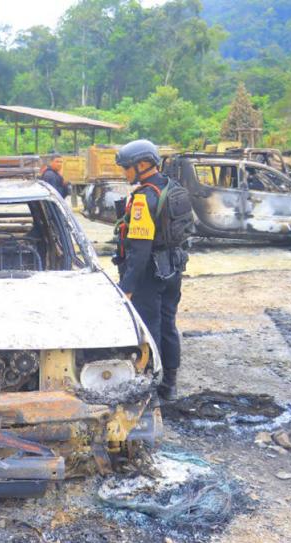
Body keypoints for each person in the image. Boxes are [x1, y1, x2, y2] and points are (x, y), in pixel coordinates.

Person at [114, 139, 189, 401]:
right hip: (173, 269)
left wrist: (128, 288)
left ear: (143, 165)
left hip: (149, 274)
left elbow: (140, 249)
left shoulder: (144, 198)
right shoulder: (173, 187)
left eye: (127, 168)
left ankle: (153, 389)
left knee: (150, 329)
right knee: (168, 325)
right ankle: (170, 383)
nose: (125, 173)